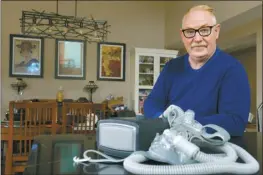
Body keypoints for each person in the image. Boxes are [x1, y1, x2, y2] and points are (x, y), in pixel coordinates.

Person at [143, 5, 251, 136]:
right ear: (182, 36)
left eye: (205, 30)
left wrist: (181, 124)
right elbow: (152, 103)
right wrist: (162, 119)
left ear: (216, 31)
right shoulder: (171, 67)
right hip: (169, 146)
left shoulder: (232, 69)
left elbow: (234, 122)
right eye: (189, 32)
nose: (197, 39)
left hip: (211, 151)